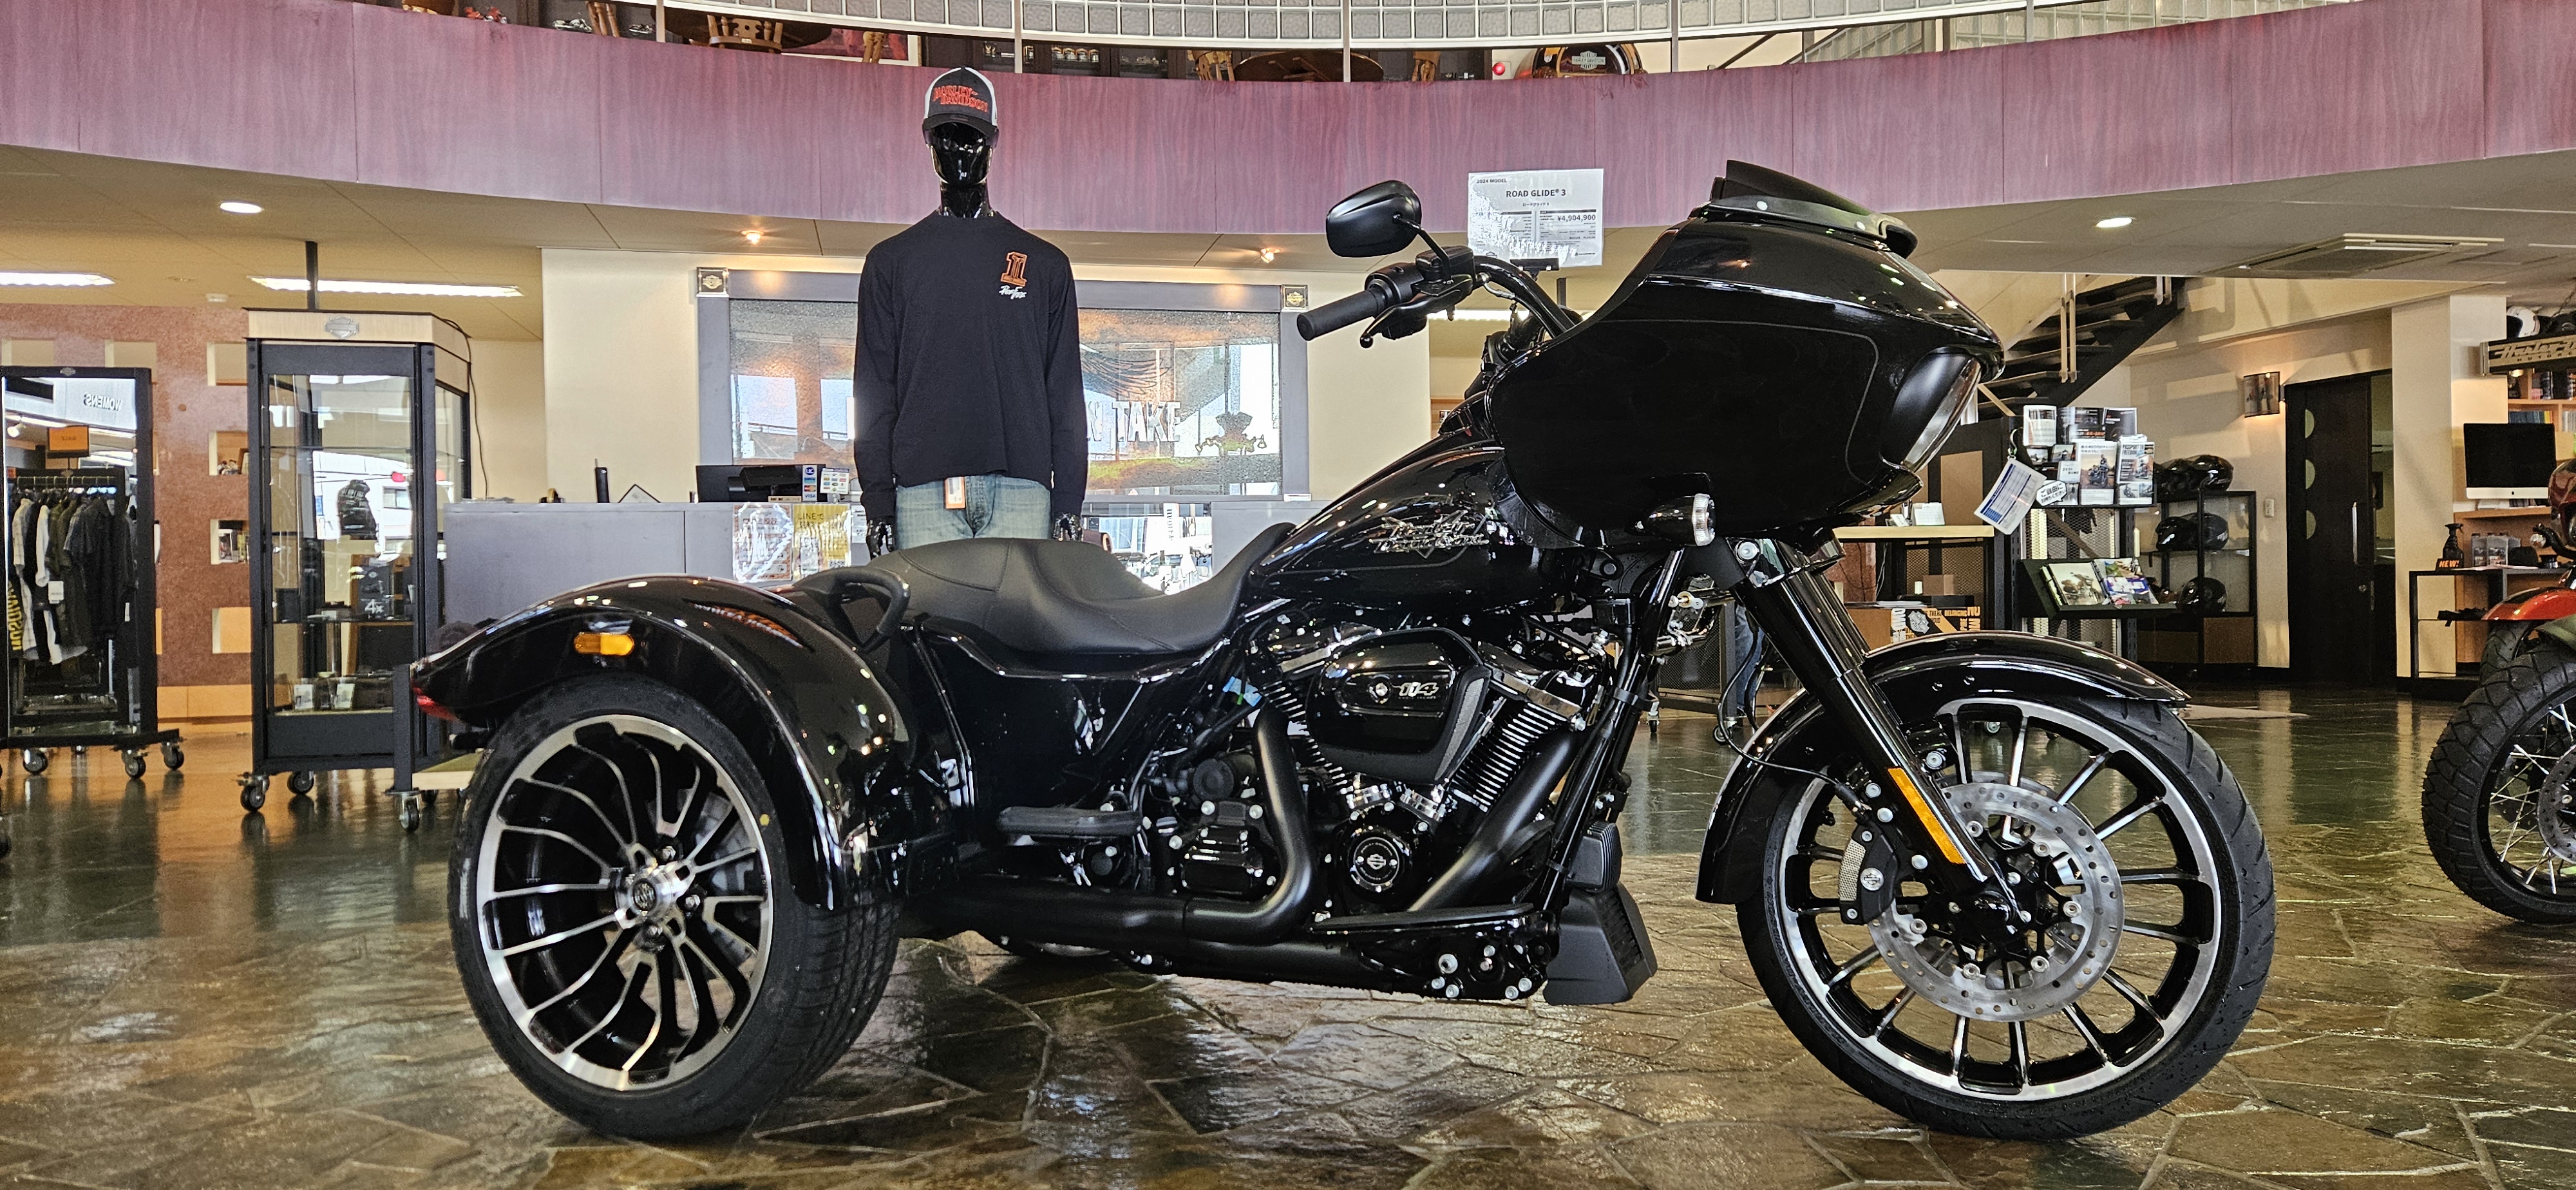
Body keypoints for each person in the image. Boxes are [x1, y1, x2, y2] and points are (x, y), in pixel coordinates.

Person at [853, 68, 1086, 556]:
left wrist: (1069, 499)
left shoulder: (1045, 265)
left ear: (993, 143)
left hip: (1023, 488)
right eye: (944, 136)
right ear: (928, 144)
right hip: (921, 490)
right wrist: (878, 501)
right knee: (930, 610)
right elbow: (873, 391)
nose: (958, 150)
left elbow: (1064, 391)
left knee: (1017, 611)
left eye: (972, 137)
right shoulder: (890, 263)